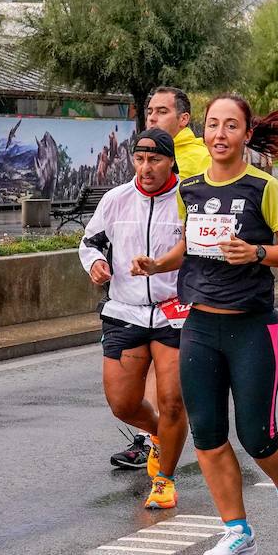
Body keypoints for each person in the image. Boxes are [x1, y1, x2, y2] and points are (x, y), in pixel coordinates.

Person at [131, 94, 278, 555]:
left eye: (231, 126)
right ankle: (237, 531)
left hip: (252, 327)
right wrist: (158, 263)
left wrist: (256, 253)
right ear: (203, 131)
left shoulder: (262, 186)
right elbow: (186, 245)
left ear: (245, 135)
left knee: (258, 436)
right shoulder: (188, 188)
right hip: (200, 326)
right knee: (208, 433)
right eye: (214, 125)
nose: (220, 134)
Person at [81, 130, 188, 509]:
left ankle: (165, 479)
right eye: (140, 160)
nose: (146, 168)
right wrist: (95, 263)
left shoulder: (187, 199)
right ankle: (163, 436)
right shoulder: (116, 199)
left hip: (174, 311)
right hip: (124, 311)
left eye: (154, 160)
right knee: (123, 404)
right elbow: (90, 241)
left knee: (172, 401)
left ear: (170, 161)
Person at [106, 87, 210, 472]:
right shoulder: (147, 156)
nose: (152, 118)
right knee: (132, 389)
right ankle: (155, 435)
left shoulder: (197, 158)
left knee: (170, 389)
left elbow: (198, 229)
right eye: (149, 111)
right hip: (135, 302)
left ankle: (158, 448)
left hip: (180, 296)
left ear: (183, 119)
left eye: (162, 111)